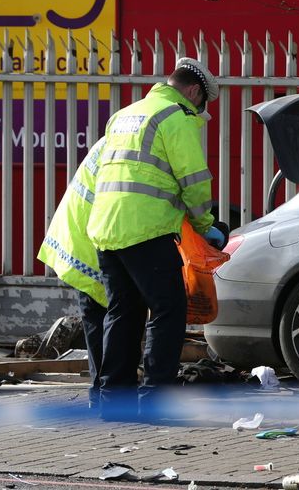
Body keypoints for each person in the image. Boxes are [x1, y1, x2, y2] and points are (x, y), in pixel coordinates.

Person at [87, 57, 228, 422]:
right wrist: (205, 224)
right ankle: (156, 401)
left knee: (123, 311)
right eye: (201, 107)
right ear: (194, 92)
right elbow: (194, 179)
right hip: (145, 229)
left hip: (106, 227)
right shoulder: (175, 116)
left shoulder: (125, 114)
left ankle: (112, 402)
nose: (198, 114)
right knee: (168, 310)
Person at [37, 137, 109, 411]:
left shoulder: (114, 140)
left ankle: (100, 394)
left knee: (98, 323)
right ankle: (106, 395)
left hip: (80, 243)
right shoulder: (131, 149)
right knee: (108, 322)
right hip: (93, 247)